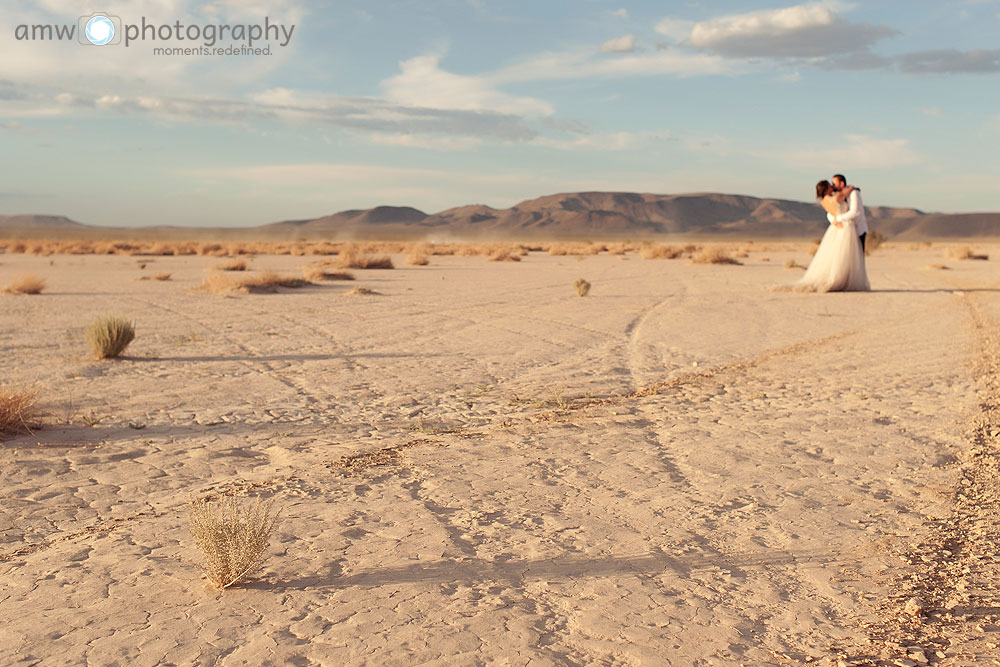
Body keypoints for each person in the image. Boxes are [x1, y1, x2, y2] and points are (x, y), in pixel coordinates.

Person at [785, 180, 870, 293]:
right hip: (845, 227)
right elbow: (849, 190)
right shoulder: (837, 197)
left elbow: (830, 214)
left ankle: (839, 278)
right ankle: (841, 279)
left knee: (834, 254)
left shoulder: (824, 201)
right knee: (845, 254)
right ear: (827, 188)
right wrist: (852, 187)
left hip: (834, 228)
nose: (833, 187)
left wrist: (834, 219)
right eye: (831, 185)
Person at [830, 174, 868, 253]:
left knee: (857, 257)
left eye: (834, 183)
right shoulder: (837, 196)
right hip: (844, 231)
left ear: (842, 183)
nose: (832, 186)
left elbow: (855, 212)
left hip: (858, 231)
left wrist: (838, 218)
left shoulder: (854, 193)